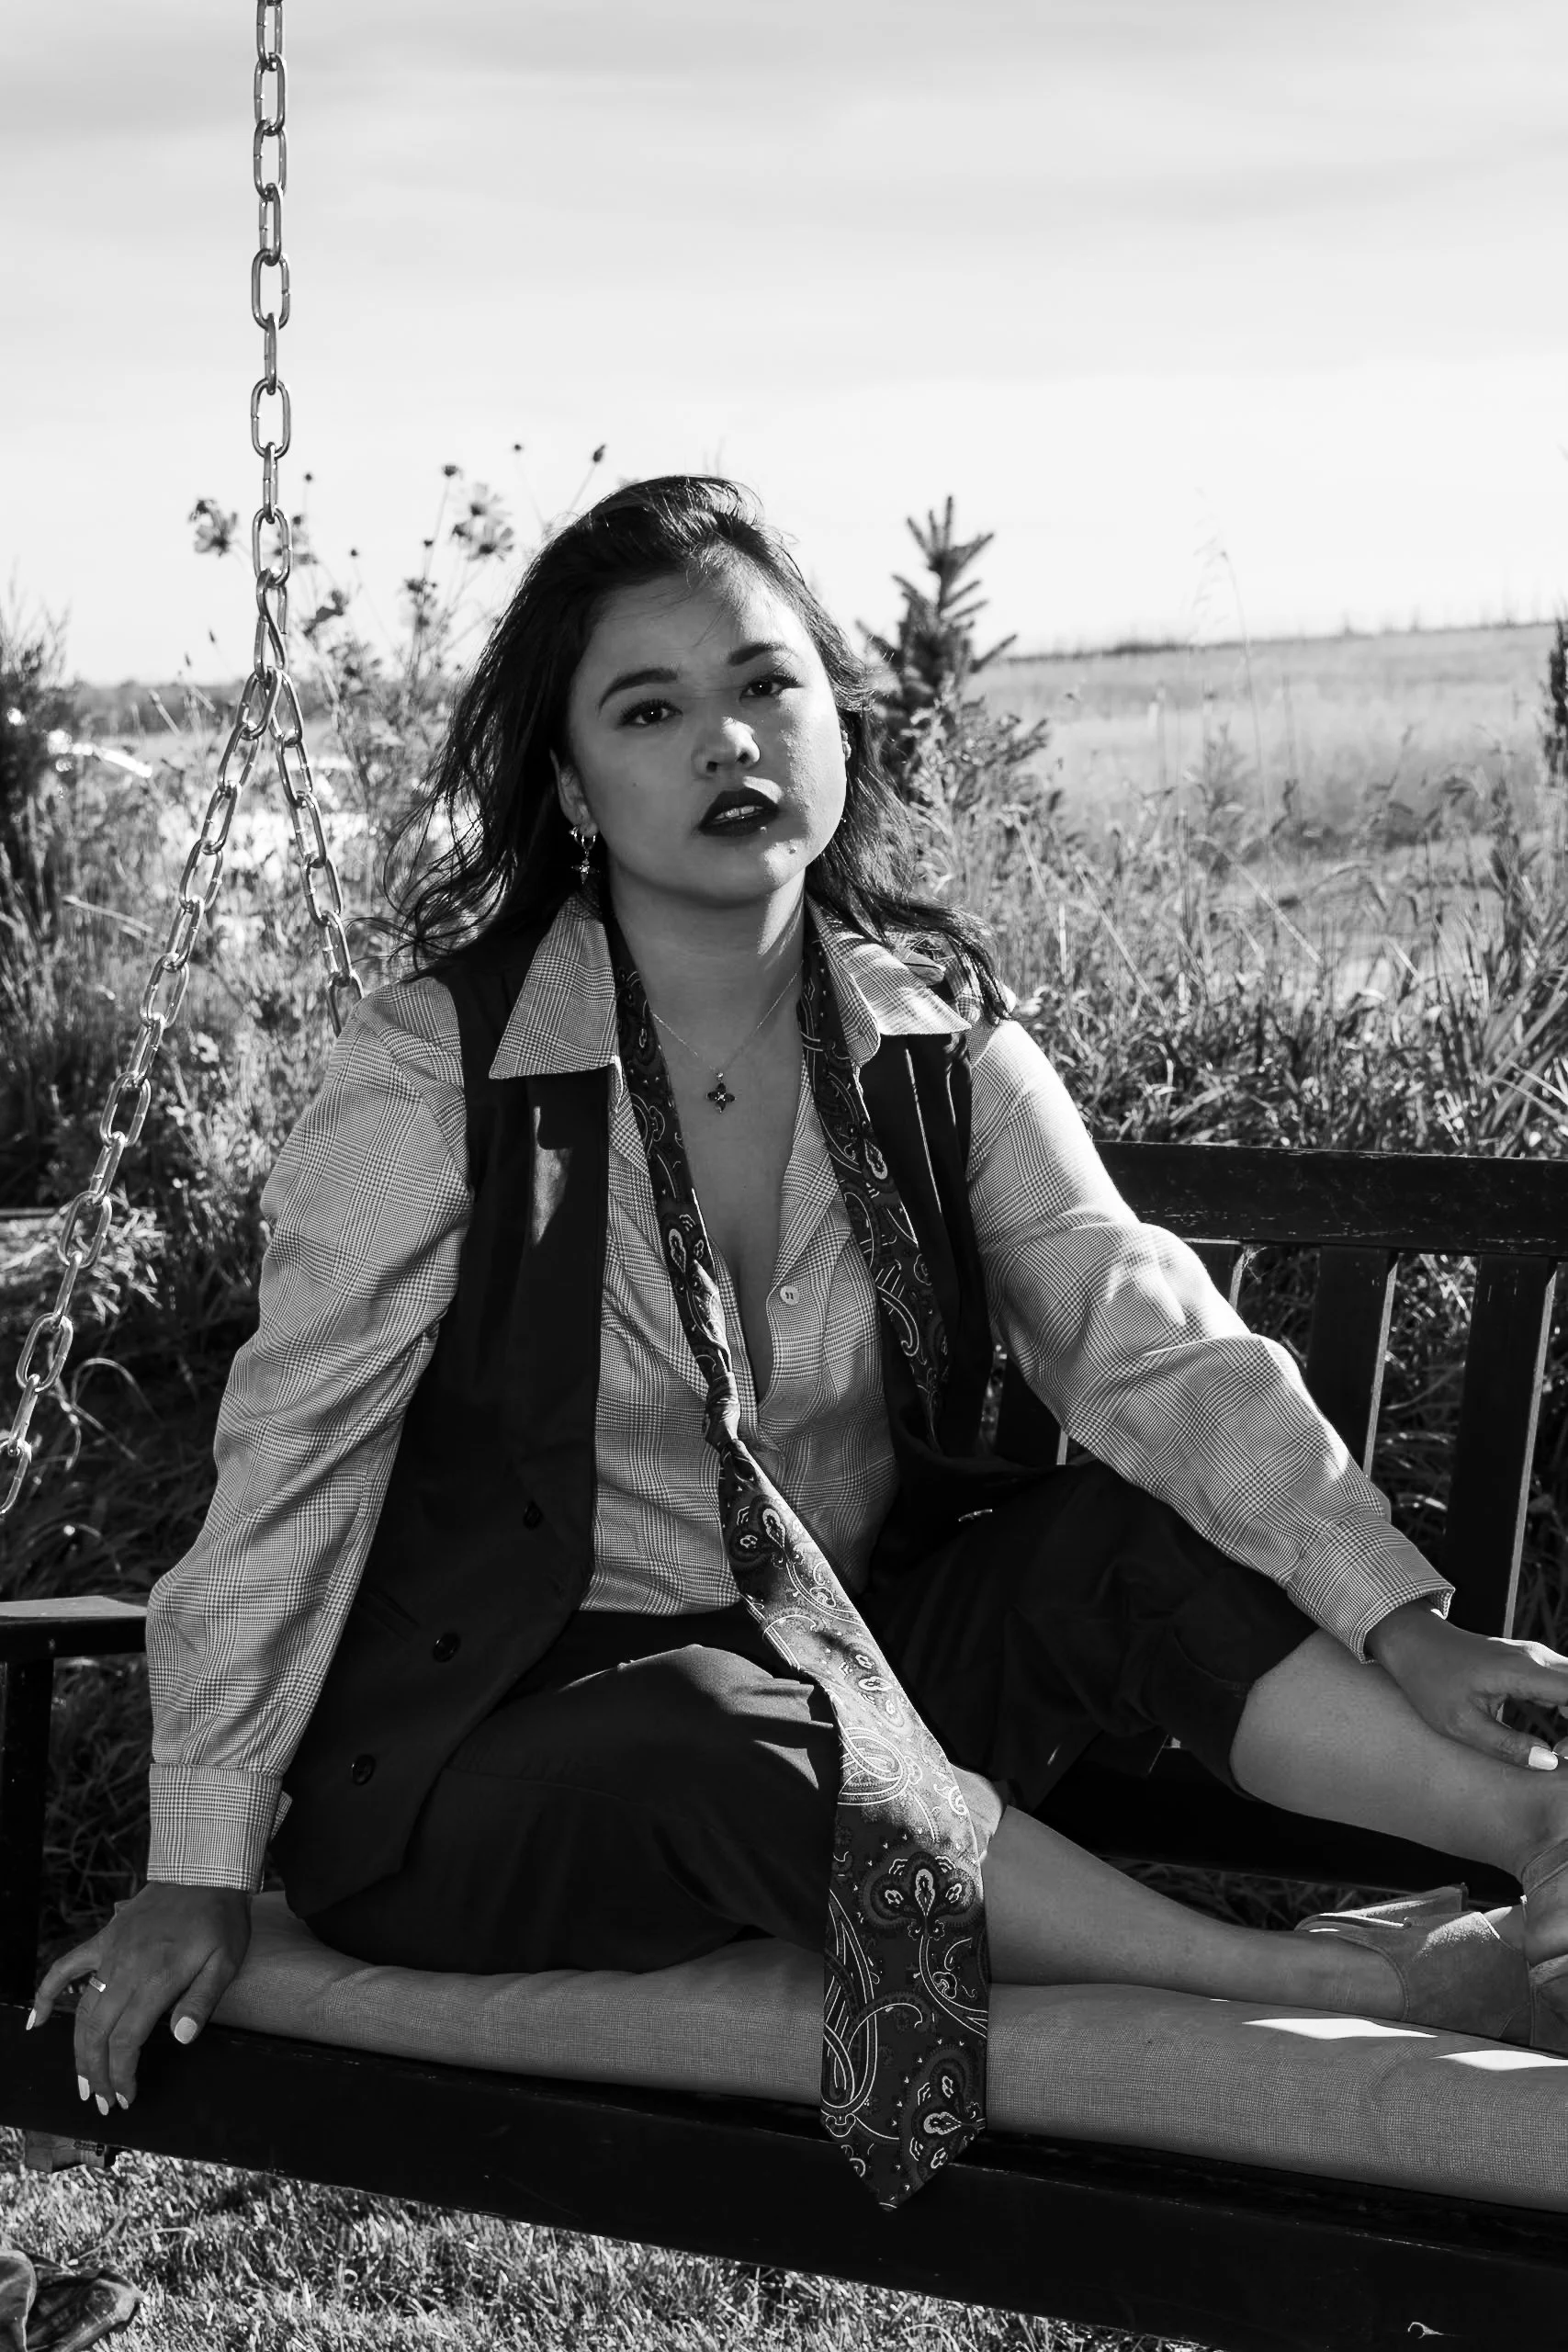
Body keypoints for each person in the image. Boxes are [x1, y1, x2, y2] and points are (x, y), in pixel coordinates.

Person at [33, 476, 1568, 2140]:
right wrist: (196, 1859)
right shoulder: (439, 1072)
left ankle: (1546, 1850)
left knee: (1102, 1550)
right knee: (709, 1721)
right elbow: (294, 1464)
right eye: (650, 707)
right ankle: (1357, 1992)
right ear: (570, 785)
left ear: (836, 720)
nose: (727, 741)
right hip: (485, 1779)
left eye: (767, 683)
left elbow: (1142, 1333)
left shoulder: (930, 1048)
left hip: (838, 1682)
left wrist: (1403, 1621)